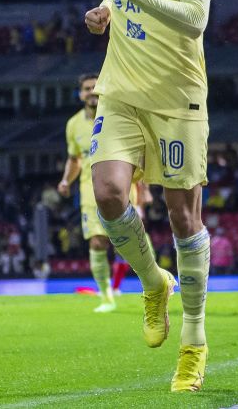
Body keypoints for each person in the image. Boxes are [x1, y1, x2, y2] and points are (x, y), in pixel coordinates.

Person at [84, 0, 214, 392]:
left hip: (177, 97)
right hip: (119, 90)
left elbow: (193, 20)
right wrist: (104, 13)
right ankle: (151, 283)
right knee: (109, 194)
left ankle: (194, 340)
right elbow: (127, 2)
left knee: (183, 219)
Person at [57, 72, 145, 313]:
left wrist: (143, 187)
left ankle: (153, 285)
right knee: (97, 242)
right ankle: (107, 298)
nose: (91, 92)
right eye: (86, 88)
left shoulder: (118, 116)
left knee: (128, 244)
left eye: (95, 87)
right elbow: (74, 158)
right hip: (89, 191)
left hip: (123, 188)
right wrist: (66, 181)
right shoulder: (73, 125)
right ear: (80, 94)